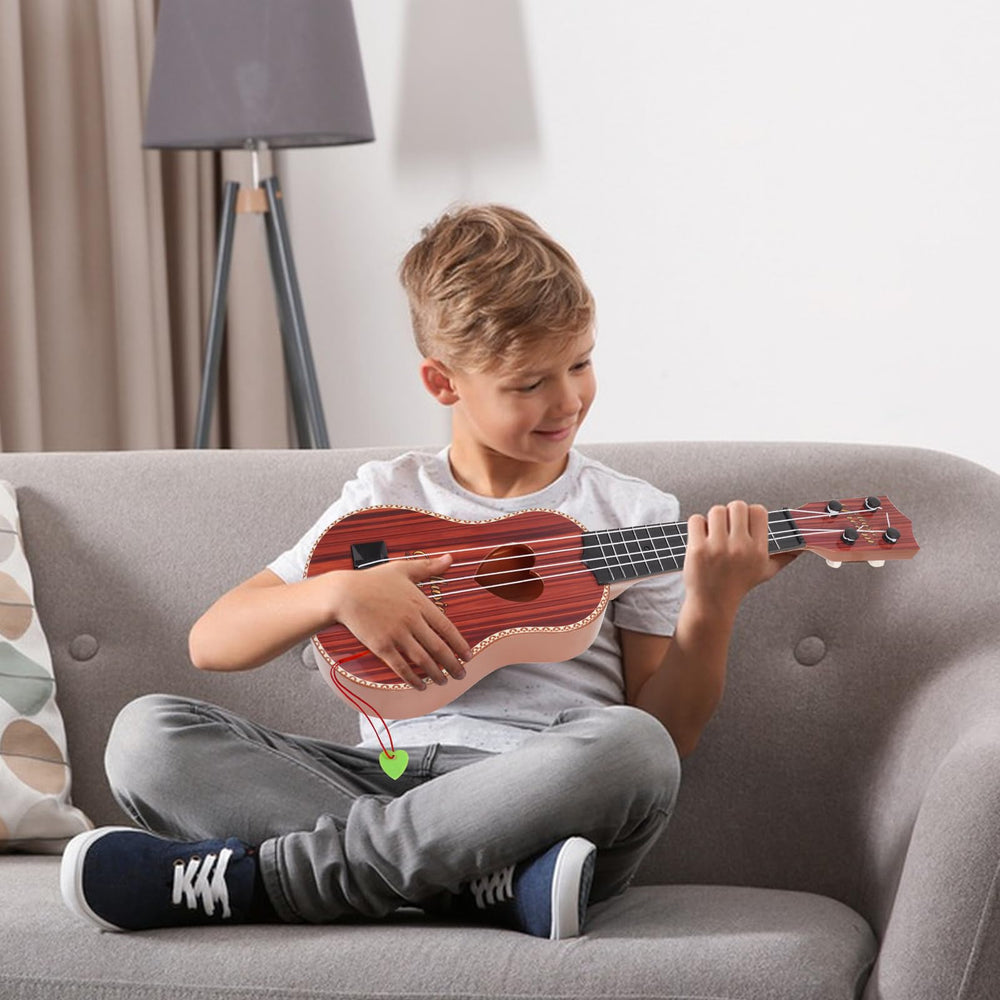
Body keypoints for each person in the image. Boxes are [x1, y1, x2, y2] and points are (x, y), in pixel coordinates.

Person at [60, 205, 796, 939]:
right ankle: (478, 888)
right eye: (528, 383)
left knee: (636, 747)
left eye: (580, 363)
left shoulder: (632, 515)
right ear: (443, 383)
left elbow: (671, 731)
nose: (568, 400)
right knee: (146, 736)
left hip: (533, 794)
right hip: (377, 780)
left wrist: (713, 604)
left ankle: (274, 882)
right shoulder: (384, 499)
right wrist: (338, 592)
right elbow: (213, 641)